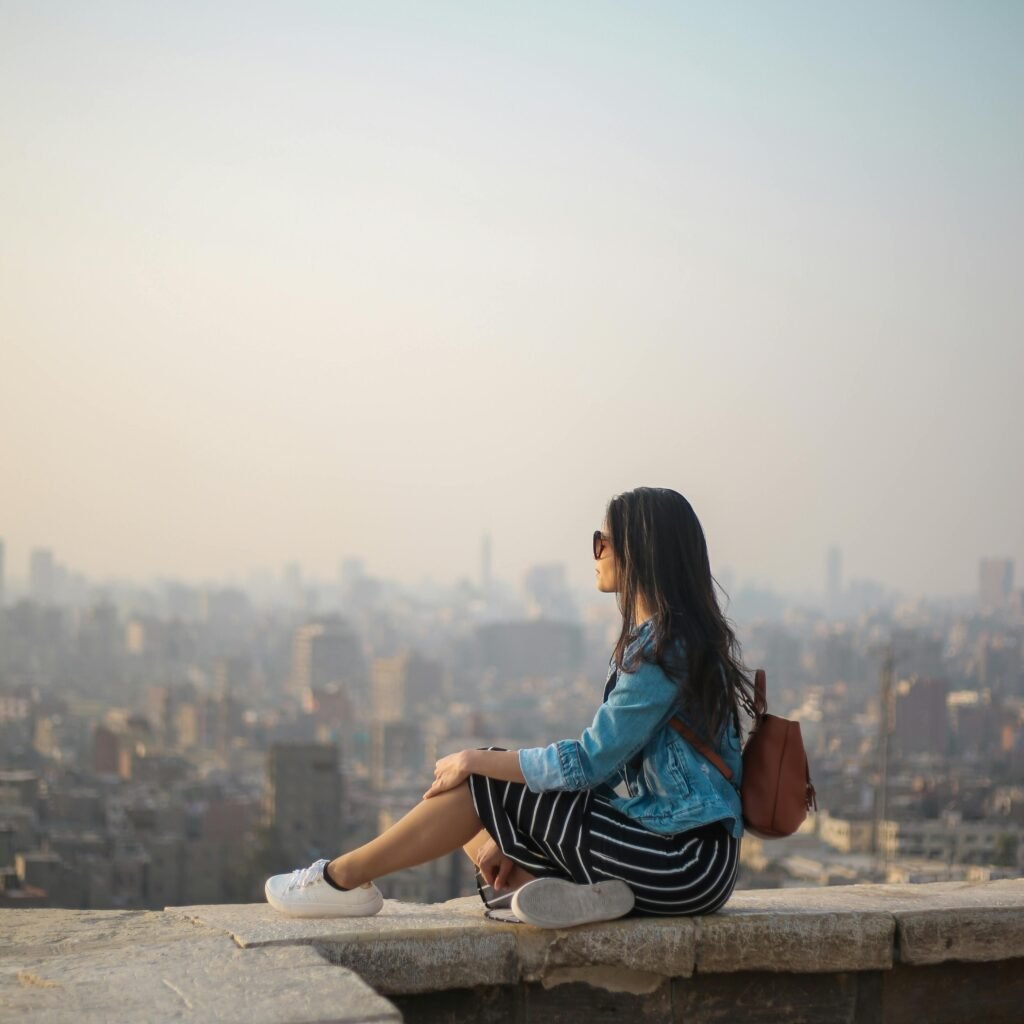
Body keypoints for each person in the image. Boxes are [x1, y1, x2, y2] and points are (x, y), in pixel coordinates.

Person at [265, 486, 756, 927]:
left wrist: (478, 758)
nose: (597, 553)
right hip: (681, 862)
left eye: (603, 541)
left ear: (641, 550)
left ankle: (341, 879)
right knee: (481, 816)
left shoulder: (665, 650)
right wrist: (515, 833)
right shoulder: (672, 642)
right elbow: (608, 772)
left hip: (684, 863)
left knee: (475, 778)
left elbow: (587, 762)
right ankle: (558, 889)